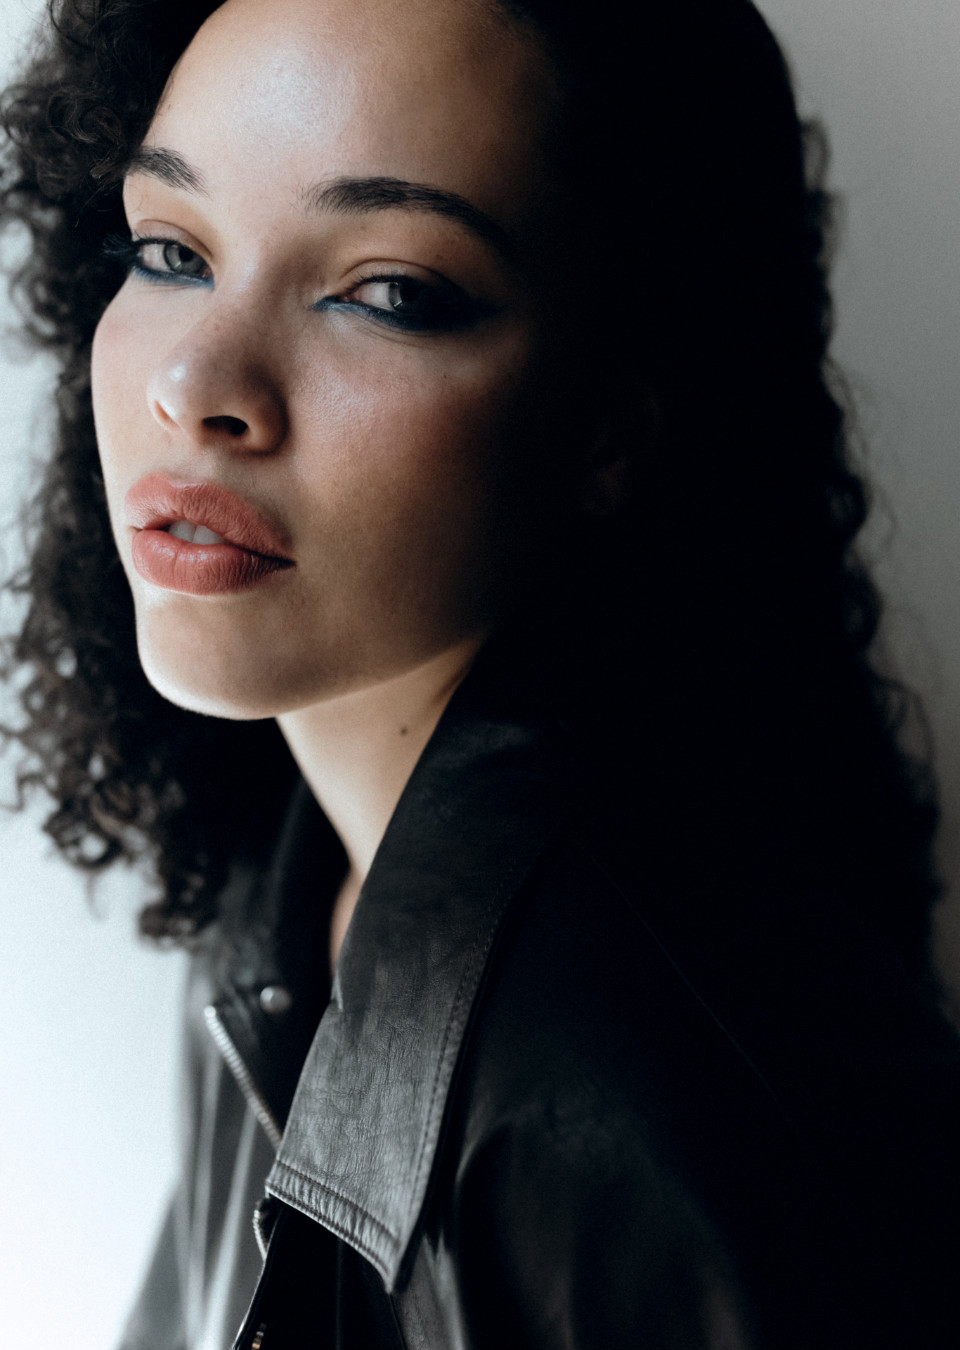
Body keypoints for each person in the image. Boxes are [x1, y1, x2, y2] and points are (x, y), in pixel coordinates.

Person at [2, 0, 959, 1346]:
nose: (196, 383)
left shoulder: (645, 1101)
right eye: (170, 251)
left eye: (389, 291)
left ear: (611, 418)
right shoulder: (282, 889)